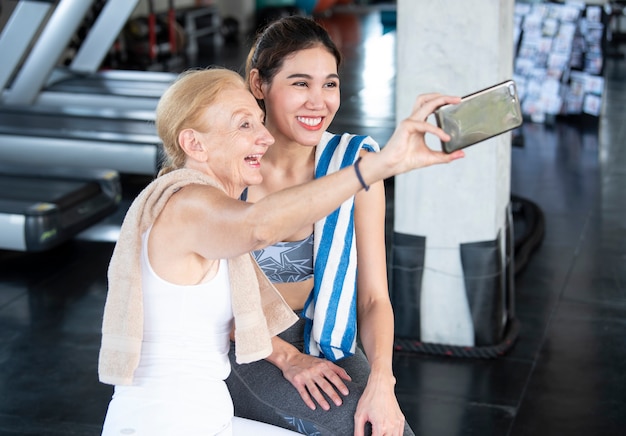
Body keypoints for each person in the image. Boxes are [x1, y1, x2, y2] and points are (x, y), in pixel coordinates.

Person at [97, 66, 463, 435]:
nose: (265, 137)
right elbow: (260, 225)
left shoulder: (213, 210)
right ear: (194, 144)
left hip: (211, 418)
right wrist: (377, 165)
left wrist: (290, 357)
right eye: (244, 126)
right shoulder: (186, 205)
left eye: (259, 122)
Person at [225, 16, 458, 436]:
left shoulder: (356, 163)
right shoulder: (228, 166)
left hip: (323, 336)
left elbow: (372, 299)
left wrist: (382, 382)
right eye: (300, 83)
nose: (319, 101)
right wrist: (288, 358)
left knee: (387, 428)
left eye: (329, 84)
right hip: (243, 344)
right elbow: (202, 300)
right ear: (259, 85)